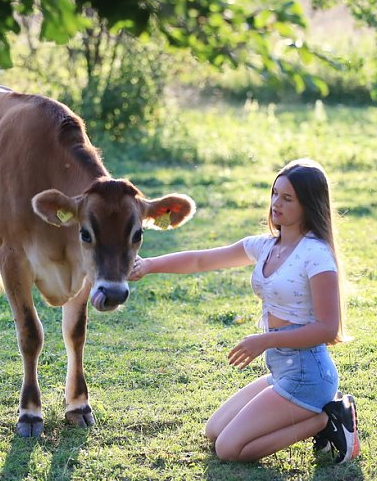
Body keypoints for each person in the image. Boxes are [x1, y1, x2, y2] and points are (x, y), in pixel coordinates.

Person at [129, 159, 360, 463]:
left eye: (287, 198)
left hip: (308, 375)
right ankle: (317, 416)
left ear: (309, 205)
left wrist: (264, 340)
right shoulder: (265, 246)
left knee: (228, 449)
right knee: (214, 431)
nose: (276, 204)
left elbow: (328, 328)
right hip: (282, 370)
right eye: (275, 193)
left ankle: (327, 419)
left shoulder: (316, 255)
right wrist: (148, 266)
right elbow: (201, 260)